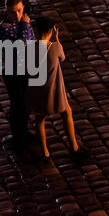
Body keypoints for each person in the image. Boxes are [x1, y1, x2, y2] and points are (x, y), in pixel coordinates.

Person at [28, 18, 82, 160]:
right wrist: (57, 40)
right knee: (67, 113)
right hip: (54, 90)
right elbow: (62, 58)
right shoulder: (55, 47)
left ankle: (45, 151)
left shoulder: (29, 48)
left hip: (38, 91)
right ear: (51, 31)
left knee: (39, 120)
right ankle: (74, 147)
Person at [0, 0, 34, 151]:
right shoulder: (3, 28)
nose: (16, 15)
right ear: (6, 12)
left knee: (25, 103)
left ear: (23, 7)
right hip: (13, 71)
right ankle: (17, 137)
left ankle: (24, 131)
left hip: (25, 68)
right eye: (13, 12)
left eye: (19, 10)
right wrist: (25, 26)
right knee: (16, 103)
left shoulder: (24, 22)